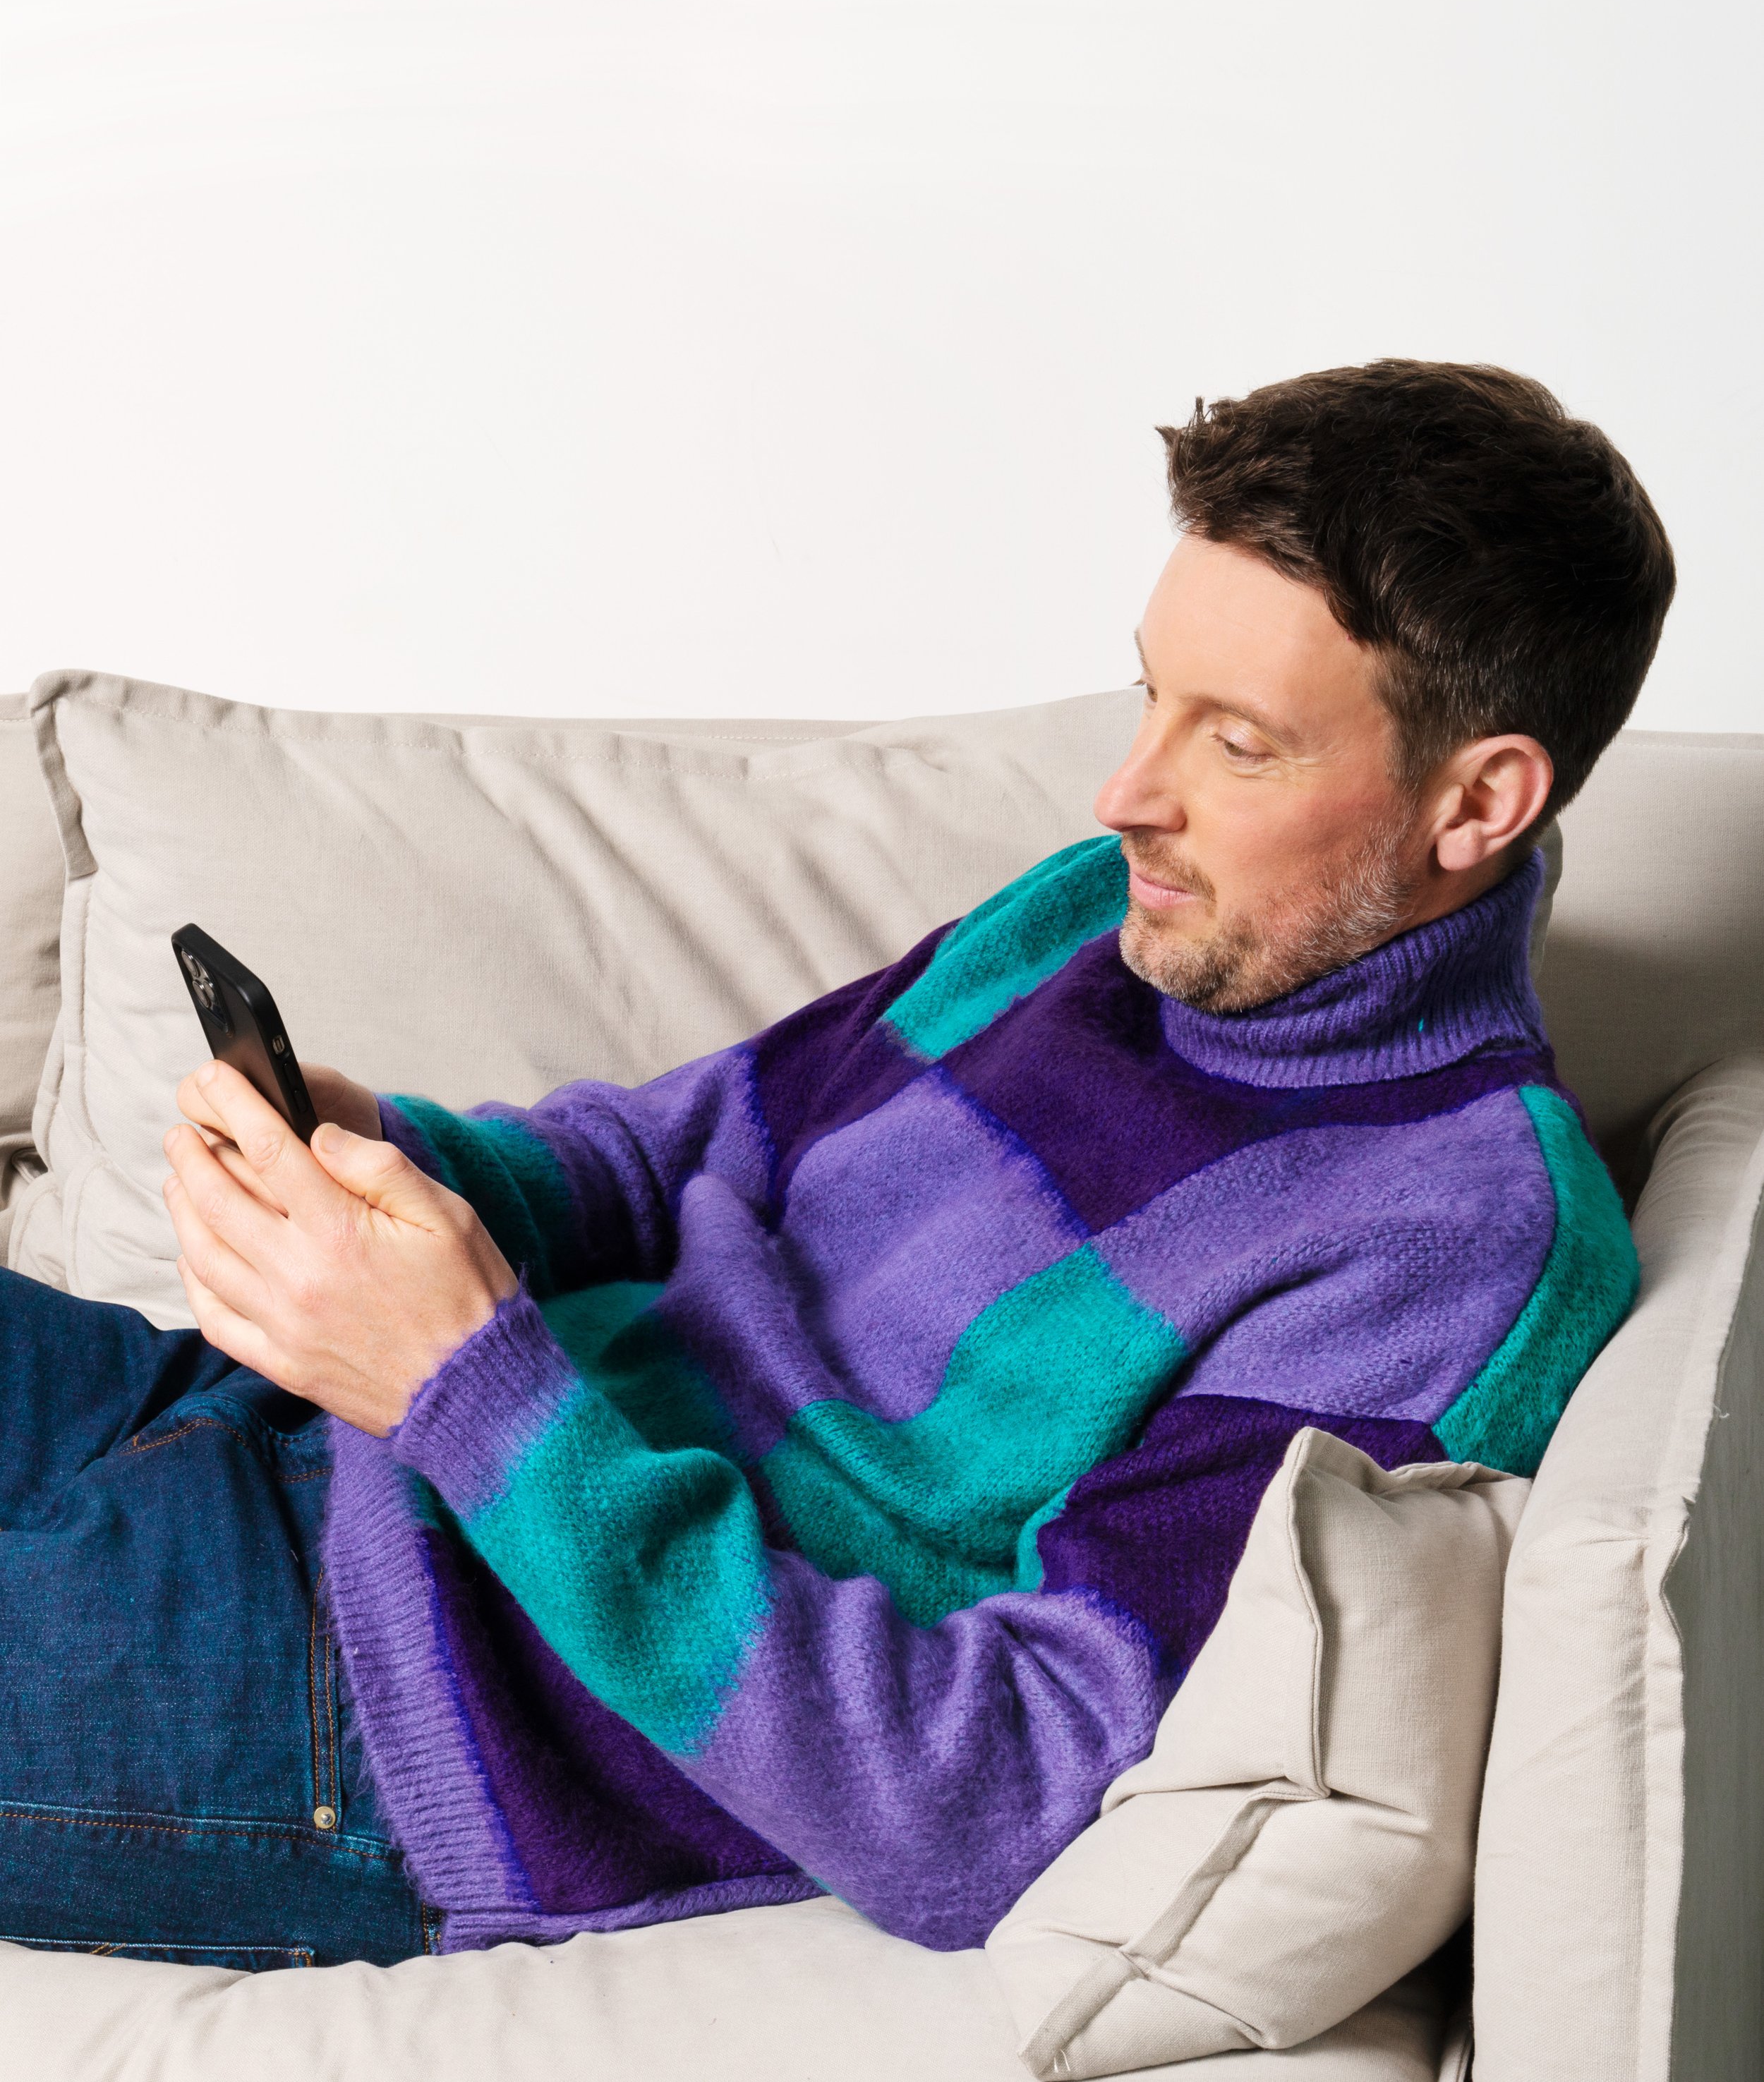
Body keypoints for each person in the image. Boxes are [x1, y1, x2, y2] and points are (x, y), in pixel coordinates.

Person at [0, 361, 1674, 1968]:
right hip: (291, 1431)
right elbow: (682, 1149)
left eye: (1233, 743)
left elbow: (989, 1803)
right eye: (1148, 694)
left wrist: (461, 1380)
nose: (1123, 794)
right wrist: (386, 1165)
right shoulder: (1096, 919)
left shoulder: (1445, 1251)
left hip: (385, 1701)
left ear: (1476, 804)